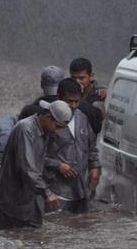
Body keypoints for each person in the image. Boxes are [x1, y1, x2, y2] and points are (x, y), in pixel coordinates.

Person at [0, 100, 72, 229]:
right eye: (57, 127)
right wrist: (47, 193)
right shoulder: (25, 129)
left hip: (29, 201)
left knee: (32, 241)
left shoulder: (42, 131)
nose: (57, 131)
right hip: (12, 204)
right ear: (47, 117)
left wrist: (56, 165)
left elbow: (39, 159)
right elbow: (28, 168)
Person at [43, 78, 101, 213]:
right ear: (59, 97)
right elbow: (36, 155)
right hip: (56, 189)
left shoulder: (82, 118)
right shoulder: (47, 121)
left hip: (81, 189)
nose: (74, 106)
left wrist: (95, 167)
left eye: (77, 101)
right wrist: (57, 165)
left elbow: (91, 147)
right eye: (69, 101)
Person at [69, 57, 106, 134]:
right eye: (74, 78)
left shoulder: (99, 96)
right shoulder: (68, 92)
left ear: (91, 76)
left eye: (82, 78)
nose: (77, 81)